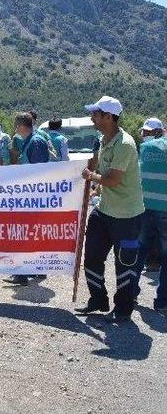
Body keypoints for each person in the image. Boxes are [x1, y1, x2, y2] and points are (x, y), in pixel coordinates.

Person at [75, 96, 144, 322]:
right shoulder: (104, 140)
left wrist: (91, 177)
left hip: (126, 214)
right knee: (92, 255)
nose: (92, 117)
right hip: (104, 210)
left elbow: (113, 179)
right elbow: (103, 174)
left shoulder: (124, 143)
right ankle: (98, 300)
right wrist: (95, 188)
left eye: (95, 113)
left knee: (125, 263)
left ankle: (123, 309)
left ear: (108, 116)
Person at [2, 112, 51, 285]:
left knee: (25, 235)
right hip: (29, 198)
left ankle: (24, 273)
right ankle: (31, 270)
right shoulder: (30, 141)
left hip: (32, 199)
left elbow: (39, 174)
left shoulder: (35, 142)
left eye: (16, 126)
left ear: (21, 126)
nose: (15, 130)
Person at [133, 118, 167, 313]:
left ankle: (131, 293)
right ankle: (162, 302)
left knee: (139, 252)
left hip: (145, 207)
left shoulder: (146, 148)